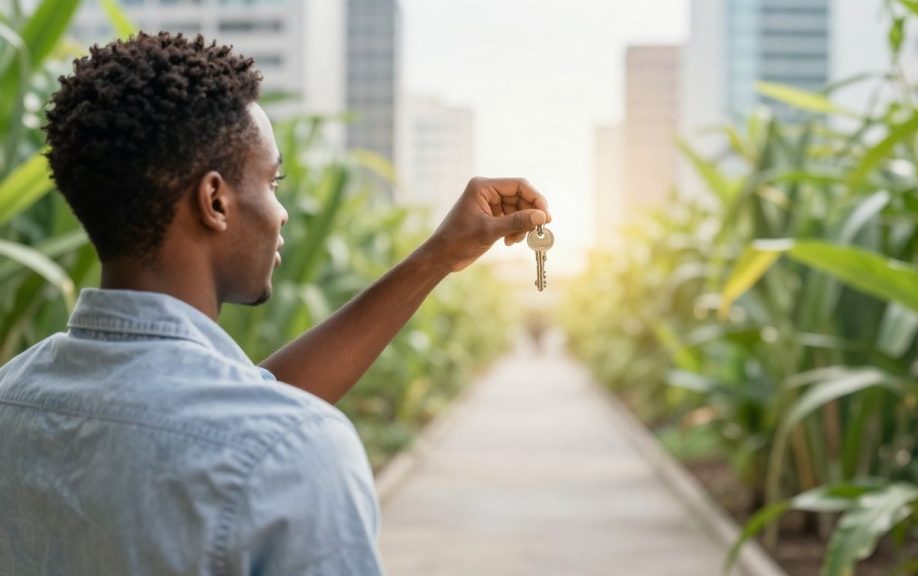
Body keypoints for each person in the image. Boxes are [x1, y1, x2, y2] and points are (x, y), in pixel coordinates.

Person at [0, 32, 550, 575]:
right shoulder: (291, 454)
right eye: (273, 180)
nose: (282, 212)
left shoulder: (13, 394)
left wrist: (437, 256)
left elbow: (236, 403)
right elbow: (249, 429)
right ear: (215, 200)